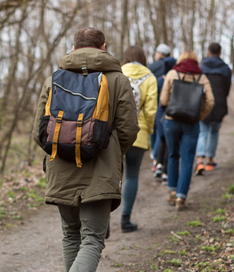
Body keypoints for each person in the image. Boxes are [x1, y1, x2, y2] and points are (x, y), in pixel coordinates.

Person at [32, 27, 139, 272]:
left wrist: (62, 148)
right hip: (100, 170)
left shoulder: (54, 79)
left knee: (71, 234)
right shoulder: (118, 79)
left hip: (60, 168)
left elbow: (38, 132)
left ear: (73, 48)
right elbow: (129, 129)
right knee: (92, 239)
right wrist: (109, 150)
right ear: (103, 47)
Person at [160, 51, 214, 210]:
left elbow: (163, 100)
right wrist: (199, 115)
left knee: (172, 155)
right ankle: (181, 198)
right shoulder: (201, 77)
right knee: (188, 160)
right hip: (191, 123)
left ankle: (172, 192)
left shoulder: (172, 74)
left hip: (171, 121)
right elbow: (210, 102)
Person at [120, 46, 157, 232]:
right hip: (138, 132)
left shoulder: (117, 72)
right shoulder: (150, 77)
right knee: (132, 175)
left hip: (115, 132)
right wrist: (148, 131)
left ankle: (102, 221)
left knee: (111, 176)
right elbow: (151, 111)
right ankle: (125, 220)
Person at [195, 43, 232, 175]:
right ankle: (210, 162)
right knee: (214, 133)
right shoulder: (226, 69)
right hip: (220, 104)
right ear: (220, 53)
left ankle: (200, 161)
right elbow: (227, 89)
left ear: (208, 52)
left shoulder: (201, 66)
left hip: (203, 104)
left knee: (202, 132)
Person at [147, 44, 176, 171]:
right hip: (166, 105)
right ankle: (157, 159)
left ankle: (155, 156)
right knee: (161, 132)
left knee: (154, 131)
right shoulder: (173, 66)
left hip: (152, 103)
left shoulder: (151, 67)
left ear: (159, 54)